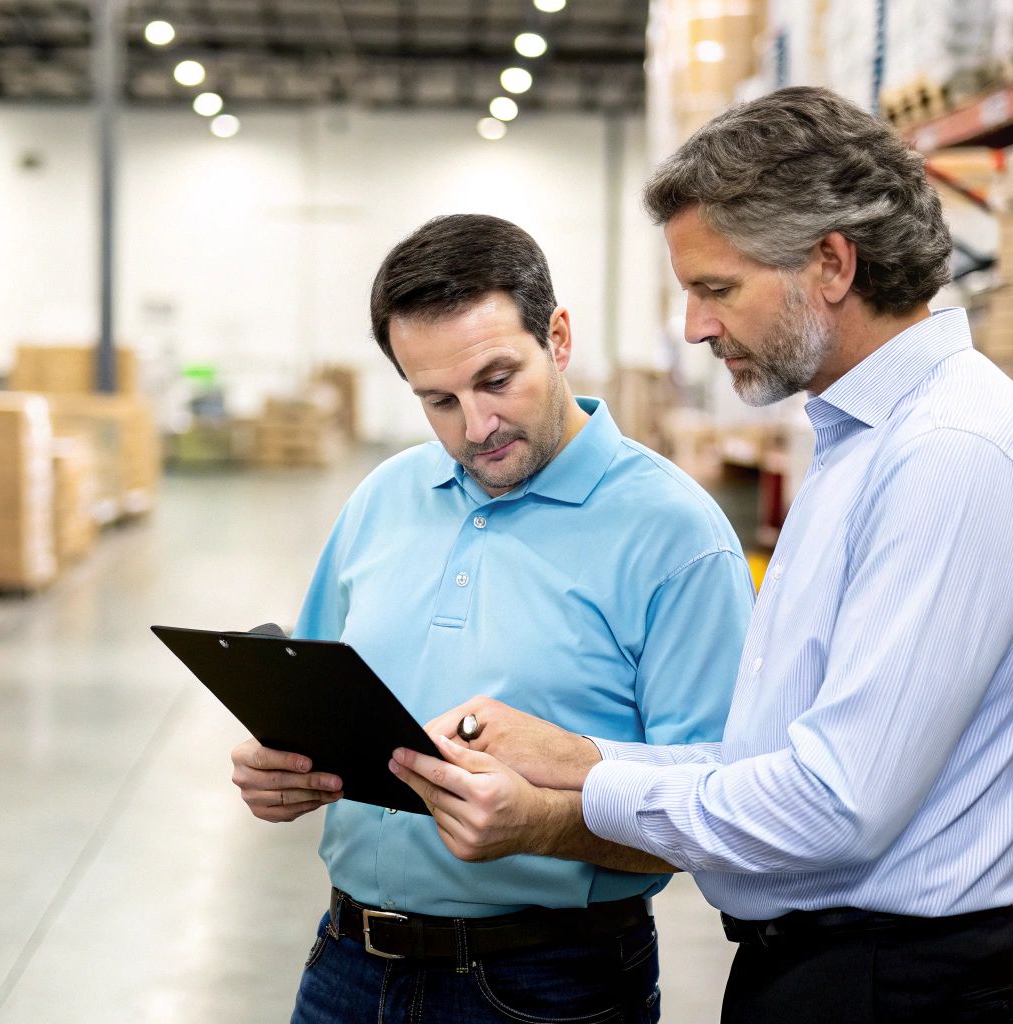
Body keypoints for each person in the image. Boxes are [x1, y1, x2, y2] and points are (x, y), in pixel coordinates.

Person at [388, 87, 1013, 1023]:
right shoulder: (862, 439)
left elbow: (835, 806)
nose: (695, 326)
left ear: (831, 264)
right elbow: (775, 756)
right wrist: (575, 752)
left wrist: (584, 795)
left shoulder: (949, 458)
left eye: (716, 289)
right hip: (828, 969)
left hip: (895, 985)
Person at [229, 213, 754, 1024]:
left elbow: (721, 815)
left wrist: (543, 826)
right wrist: (281, 767)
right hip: (346, 966)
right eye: (437, 400)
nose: (475, 429)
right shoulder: (383, 497)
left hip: (547, 986)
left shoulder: (675, 537)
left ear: (560, 338)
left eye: (497, 380)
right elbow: (319, 695)